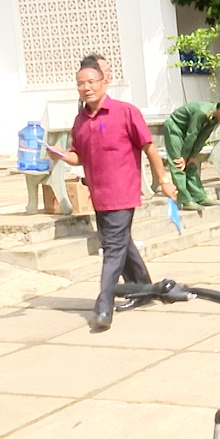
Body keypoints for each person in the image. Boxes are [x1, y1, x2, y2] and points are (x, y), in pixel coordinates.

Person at [51, 57, 176, 331]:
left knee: (112, 248)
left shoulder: (125, 112)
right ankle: (144, 289)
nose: (86, 88)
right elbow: (78, 157)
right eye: (80, 84)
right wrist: (60, 155)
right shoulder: (80, 120)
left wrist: (163, 180)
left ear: (103, 82)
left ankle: (104, 304)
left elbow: (150, 148)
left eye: (91, 82)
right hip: (99, 194)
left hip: (123, 192)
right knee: (122, 243)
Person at [162, 95, 220, 210]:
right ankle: (184, 200)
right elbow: (192, 134)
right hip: (175, 128)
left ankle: (198, 196)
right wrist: (184, 157)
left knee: (191, 164)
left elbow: (202, 138)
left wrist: (192, 155)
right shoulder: (202, 113)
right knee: (178, 163)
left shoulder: (214, 118)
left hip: (187, 132)